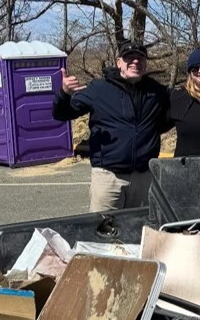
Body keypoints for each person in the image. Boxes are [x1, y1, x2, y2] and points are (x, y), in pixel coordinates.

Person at [52, 39, 169, 211]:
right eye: (129, 57)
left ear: (145, 64)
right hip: (108, 178)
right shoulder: (99, 89)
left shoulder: (157, 91)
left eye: (140, 58)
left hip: (144, 178)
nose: (135, 61)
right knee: (102, 232)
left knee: (140, 230)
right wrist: (64, 94)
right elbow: (62, 114)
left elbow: (174, 113)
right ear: (119, 62)